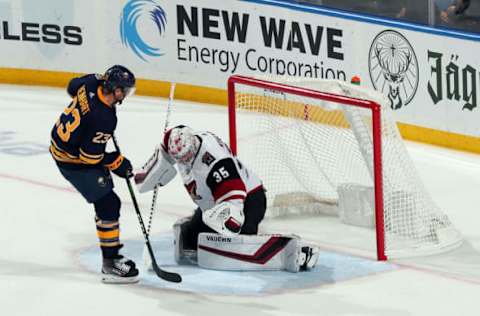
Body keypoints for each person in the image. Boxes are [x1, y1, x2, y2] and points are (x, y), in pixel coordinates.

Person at [135, 125, 319, 273]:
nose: (184, 161)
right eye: (179, 158)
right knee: (190, 239)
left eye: (187, 156)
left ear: (193, 145)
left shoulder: (214, 162)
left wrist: (227, 222)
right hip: (214, 203)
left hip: (248, 200)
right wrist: (153, 170)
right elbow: (165, 149)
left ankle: (297, 250)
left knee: (239, 243)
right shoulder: (183, 141)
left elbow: (235, 196)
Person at [49, 65, 139, 283]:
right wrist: (117, 162)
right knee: (108, 203)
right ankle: (110, 263)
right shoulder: (104, 119)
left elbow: (72, 86)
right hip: (71, 161)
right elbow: (89, 158)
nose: (126, 94)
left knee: (107, 199)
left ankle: (110, 256)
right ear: (115, 89)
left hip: (60, 142)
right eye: (124, 90)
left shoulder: (93, 82)